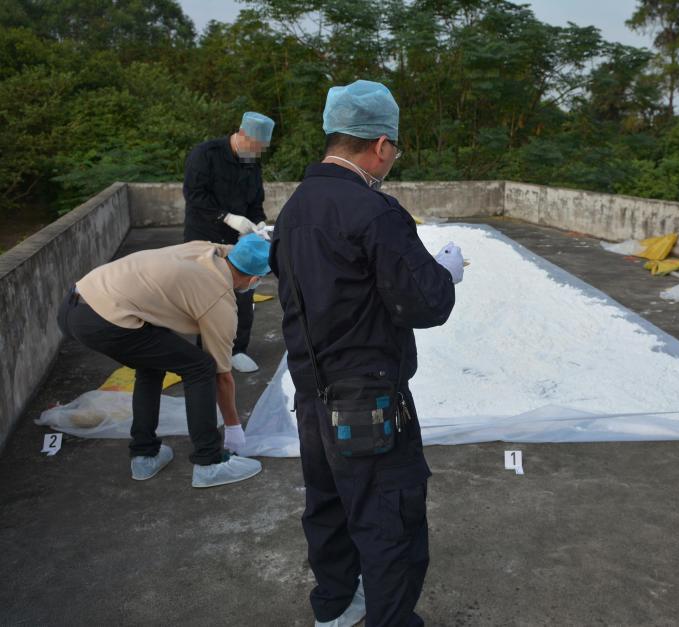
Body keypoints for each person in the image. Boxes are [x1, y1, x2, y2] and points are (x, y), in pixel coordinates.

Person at [270, 80, 463, 627]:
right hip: (369, 400)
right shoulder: (375, 211)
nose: (393, 159)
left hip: (312, 393)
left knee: (328, 504)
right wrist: (445, 272)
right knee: (389, 520)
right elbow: (424, 303)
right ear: (380, 144)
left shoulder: (294, 210)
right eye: (394, 149)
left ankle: (334, 606)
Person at [57, 234, 272, 487]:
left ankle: (145, 455)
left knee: (152, 364)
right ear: (254, 280)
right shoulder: (219, 300)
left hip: (75, 303)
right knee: (200, 367)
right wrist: (234, 427)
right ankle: (209, 463)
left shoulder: (203, 250)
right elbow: (222, 376)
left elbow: (236, 249)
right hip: (105, 321)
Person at [183, 111, 275, 374]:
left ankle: (237, 349)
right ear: (242, 135)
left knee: (243, 294)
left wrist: (258, 223)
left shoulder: (251, 163)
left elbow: (255, 201)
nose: (257, 153)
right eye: (255, 146)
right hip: (205, 236)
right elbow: (194, 195)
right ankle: (208, 354)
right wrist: (226, 217)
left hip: (238, 241)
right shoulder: (205, 154)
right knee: (208, 297)